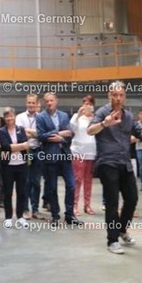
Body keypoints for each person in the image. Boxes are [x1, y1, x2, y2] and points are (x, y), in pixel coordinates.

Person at [87, 81, 142, 254]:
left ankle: (122, 230)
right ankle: (112, 240)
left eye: (121, 95)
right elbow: (90, 130)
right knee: (112, 202)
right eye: (114, 95)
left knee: (132, 199)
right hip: (107, 162)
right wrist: (104, 124)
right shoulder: (102, 112)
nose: (118, 98)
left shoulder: (129, 116)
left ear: (125, 97)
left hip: (125, 163)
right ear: (109, 95)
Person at [37, 92, 82, 226]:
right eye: (47, 101)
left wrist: (60, 138)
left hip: (64, 155)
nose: (49, 103)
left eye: (51, 100)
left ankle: (69, 215)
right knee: (52, 187)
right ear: (44, 103)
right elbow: (41, 136)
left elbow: (69, 134)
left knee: (71, 185)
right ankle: (55, 215)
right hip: (50, 156)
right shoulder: (41, 117)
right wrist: (58, 133)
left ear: (56, 101)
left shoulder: (64, 115)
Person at [0, 107, 30, 229]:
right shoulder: (1, 131)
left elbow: (26, 144)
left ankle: (20, 216)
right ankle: (8, 217)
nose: (9, 118)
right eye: (7, 116)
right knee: (8, 192)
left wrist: (15, 146)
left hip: (21, 165)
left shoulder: (21, 129)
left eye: (11, 115)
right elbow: (6, 147)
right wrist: (20, 146)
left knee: (21, 192)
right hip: (8, 166)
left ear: (15, 116)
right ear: (4, 118)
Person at [16, 94, 45, 220]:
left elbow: (43, 134)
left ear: (37, 104)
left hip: (38, 151)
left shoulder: (42, 117)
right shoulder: (20, 117)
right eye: (29, 102)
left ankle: (35, 209)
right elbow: (20, 134)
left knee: (36, 182)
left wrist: (30, 132)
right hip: (25, 152)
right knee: (25, 182)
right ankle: (25, 209)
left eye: (33, 103)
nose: (31, 105)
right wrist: (37, 134)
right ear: (26, 103)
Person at [70, 95, 96, 216]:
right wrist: (78, 115)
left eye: (90, 104)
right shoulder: (77, 117)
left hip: (91, 153)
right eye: (85, 103)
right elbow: (71, 128)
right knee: (77, 179)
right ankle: (74, 205)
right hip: (78, 152)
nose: (88, 106)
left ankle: (87, 205)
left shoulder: (96, 118)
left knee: (88, 180)